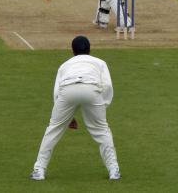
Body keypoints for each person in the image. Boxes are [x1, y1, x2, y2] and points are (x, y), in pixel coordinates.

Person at [30, 36, 120, 181]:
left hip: (68, 89)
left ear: (72, 51)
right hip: (92, 89)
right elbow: (108, 86)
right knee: (101, 130)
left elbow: (56, 92)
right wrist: (102, 104)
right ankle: (114, 170)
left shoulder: (65, 65)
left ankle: (38, 170)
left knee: (53, 129)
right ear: (90, 50)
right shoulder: (100, 62)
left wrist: (67, 117)